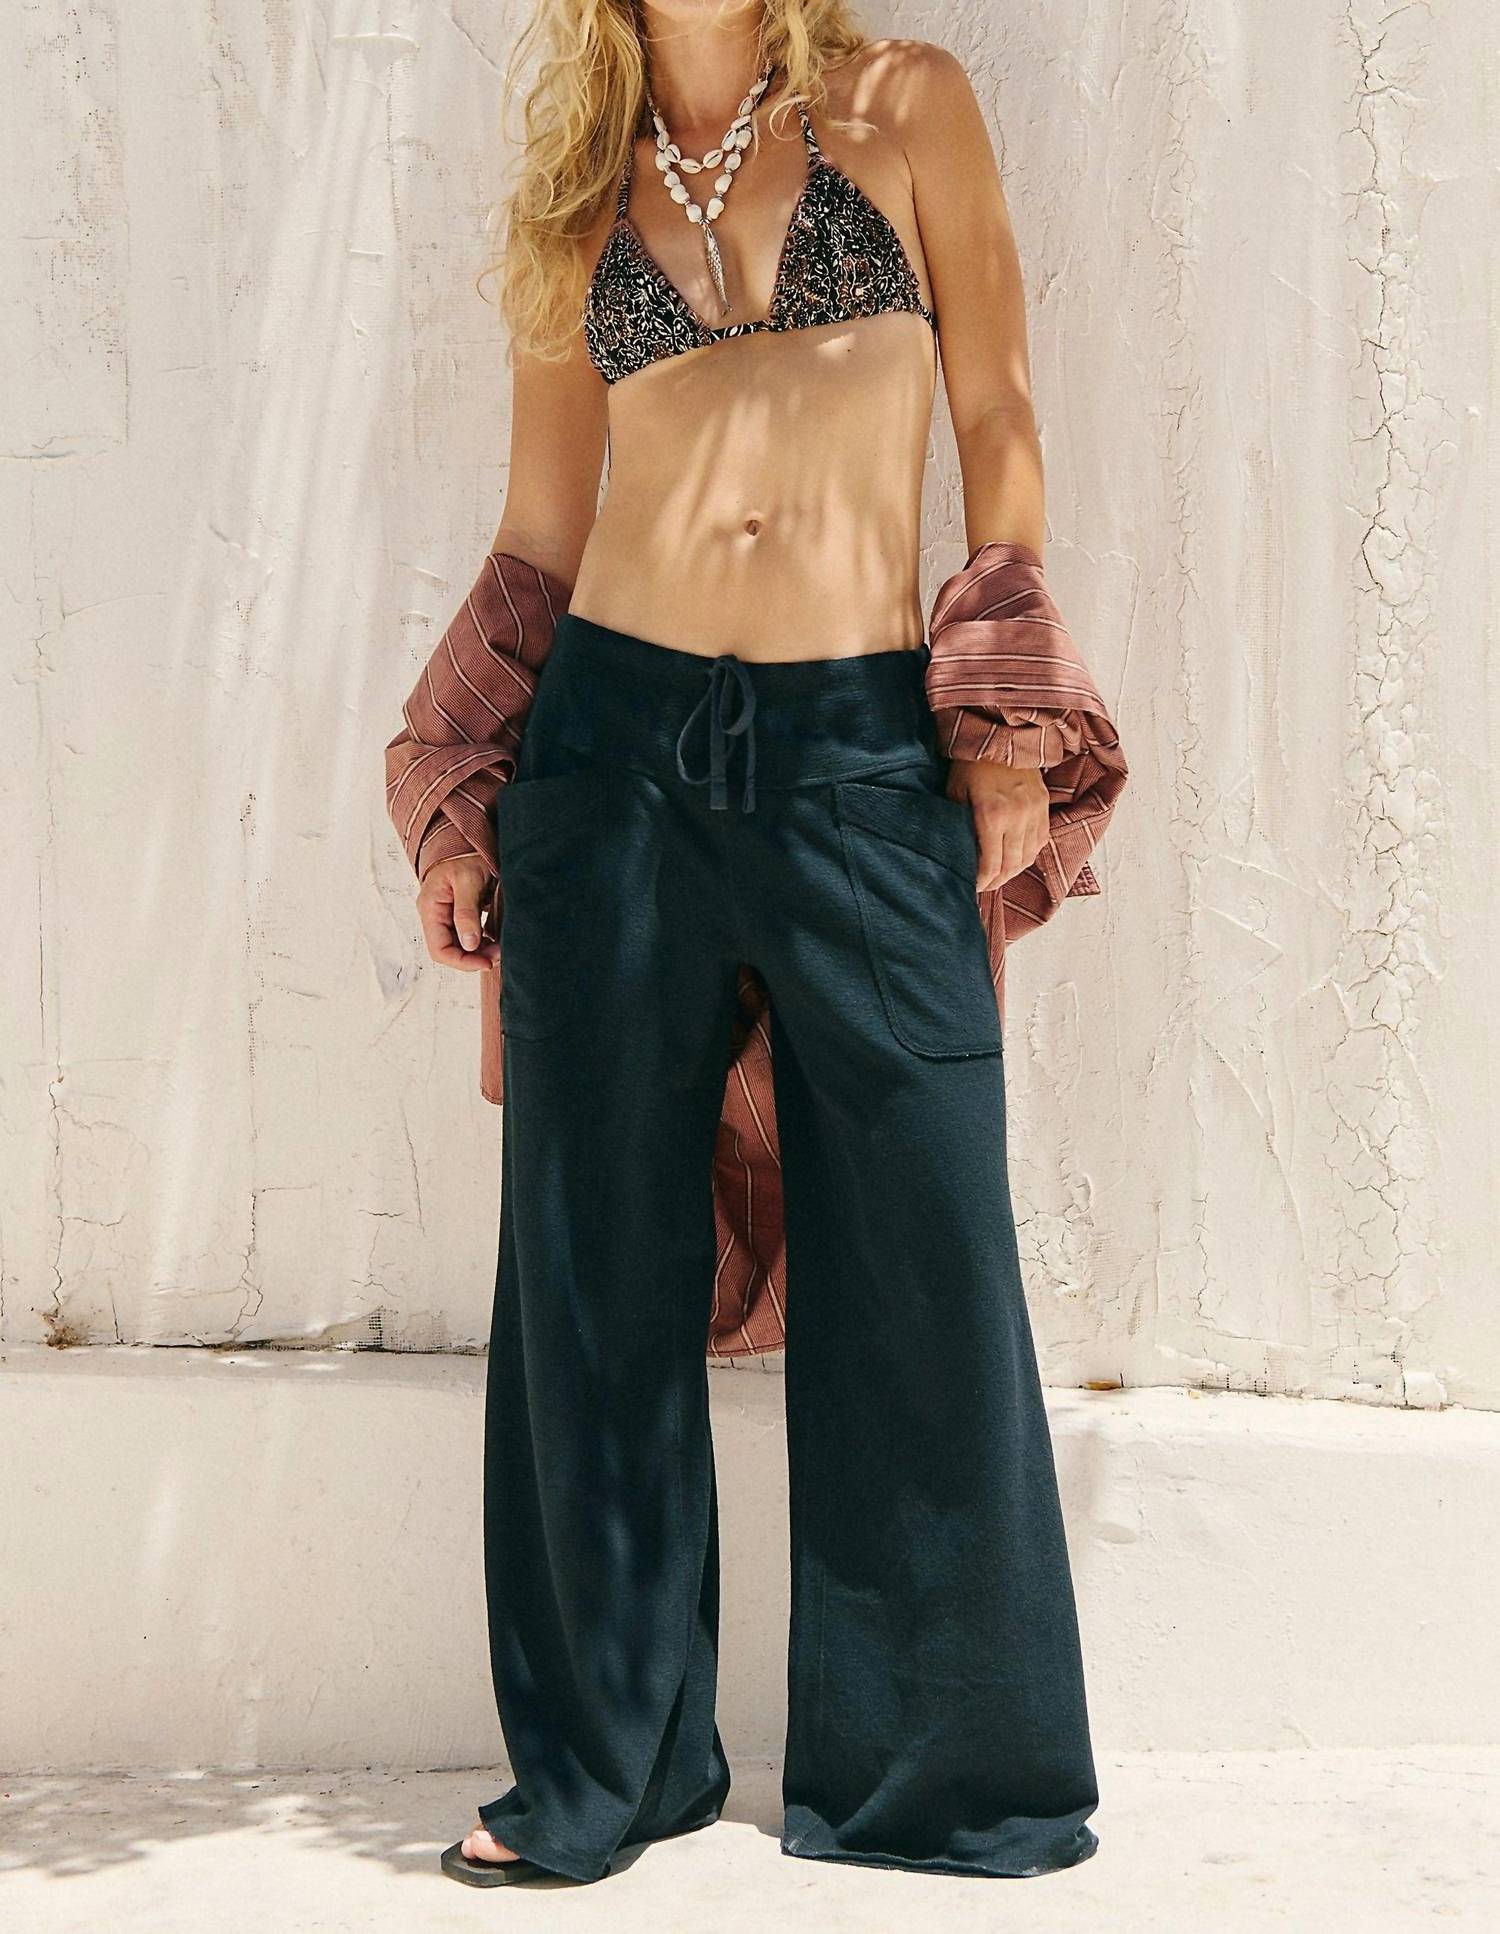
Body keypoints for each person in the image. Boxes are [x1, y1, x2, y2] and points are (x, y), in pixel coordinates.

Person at [385, 0, 1127, 1889]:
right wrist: (463, 786)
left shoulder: (905, 106)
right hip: (615, 751)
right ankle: (605, 1768)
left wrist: (1002, 712)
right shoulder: (581, 189)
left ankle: (946, 1776)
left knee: (927, 1241)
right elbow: (545, 525)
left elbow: (998, 418)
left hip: (856, 745)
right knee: (588, 1269)